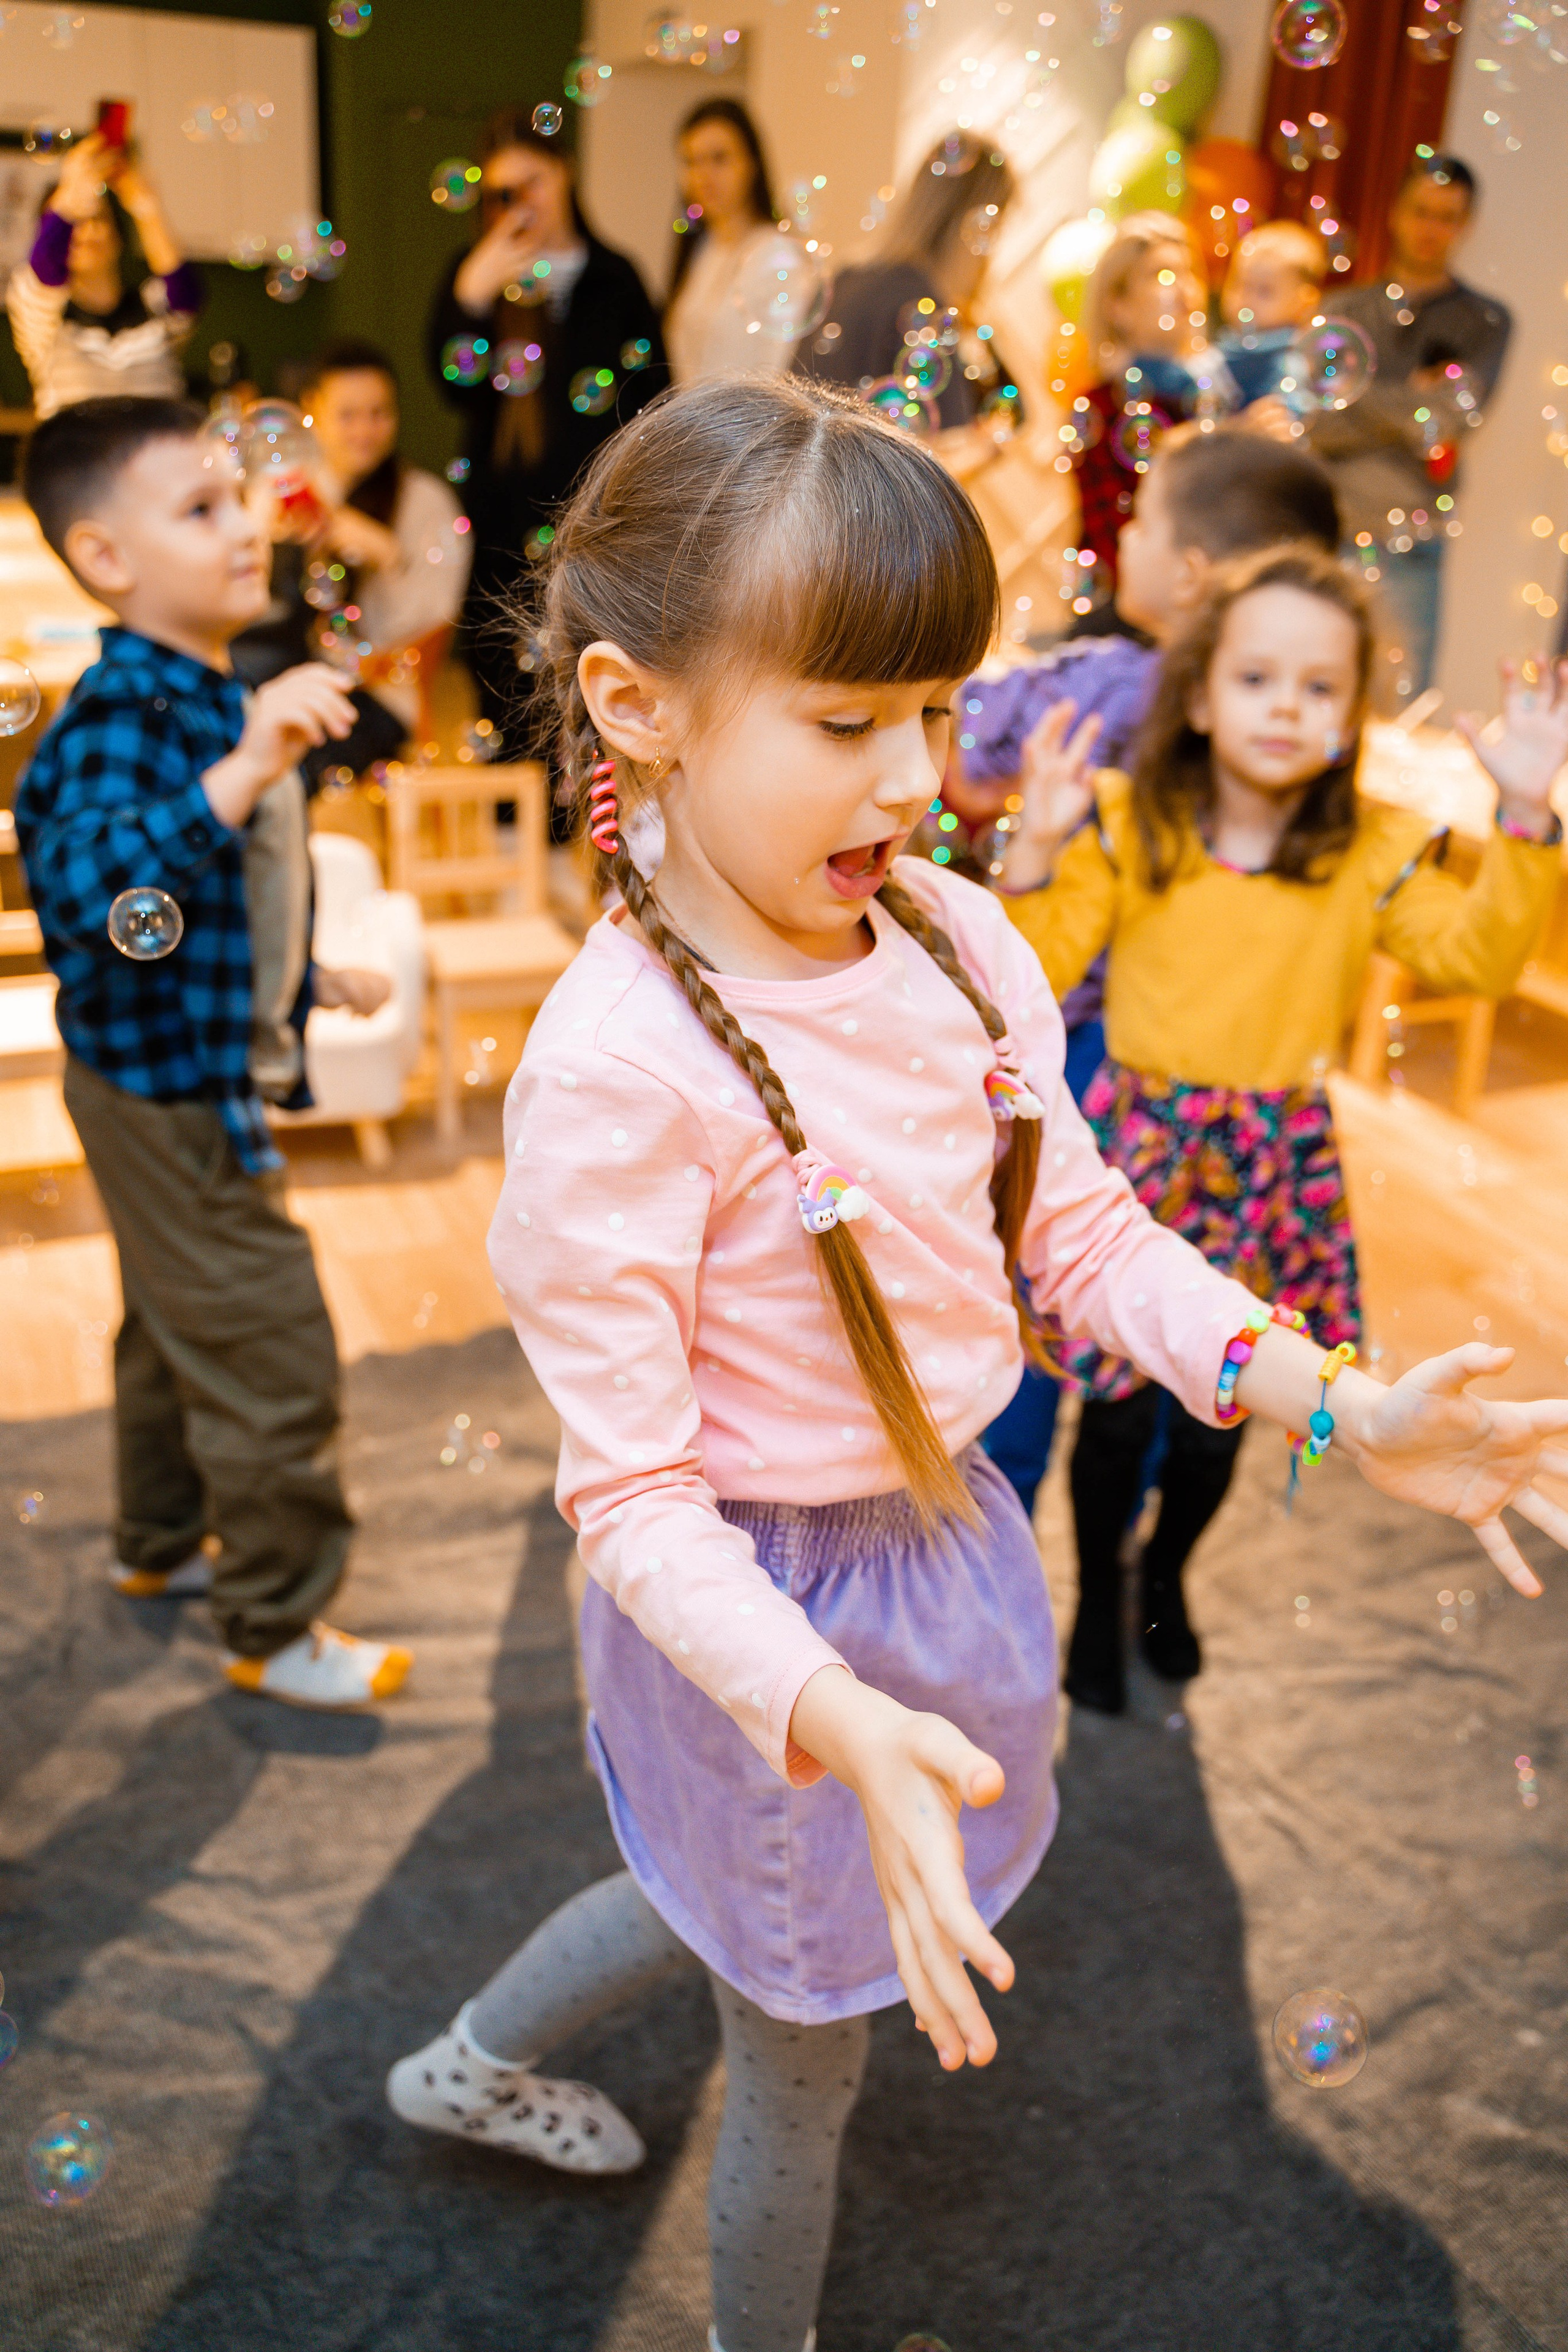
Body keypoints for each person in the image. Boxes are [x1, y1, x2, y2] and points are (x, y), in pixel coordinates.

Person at [383, 377, 1568, 2352]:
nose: (915, 774)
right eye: (846, 723)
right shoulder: (616, 1071)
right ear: (635, 704)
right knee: (802, 2047)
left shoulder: (954, 939)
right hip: (766, 1626)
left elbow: (1082, 1231)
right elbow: (635, 1495)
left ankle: (461, 2051)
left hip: (941, 1545)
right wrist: (826, 1712)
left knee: (731, 1933)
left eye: (934, 707)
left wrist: (1336, 1399)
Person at [1000, 542, 1566, 1715]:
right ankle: (1100, 1585)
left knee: (1225, 1427)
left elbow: (1479, 954)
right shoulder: (1126, 821)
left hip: (1274, 1168)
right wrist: (1038, 849)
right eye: (1258, 678)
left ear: (1349, 714)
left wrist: (1524, 811)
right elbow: (1034, 972)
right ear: (1200, 697)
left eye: (1320, 687)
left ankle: (1167, 1574)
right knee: (1112, 1420)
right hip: (1139, 1156)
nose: (1287, 707)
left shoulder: (1366, 847)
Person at [13, 396, 414, 1711]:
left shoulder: (200, 693)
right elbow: (89, 892)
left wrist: (302, 980)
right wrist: (243, 771)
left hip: (167, 1072)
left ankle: (158, 1546)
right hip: (165, 1095)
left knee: (166, 1320)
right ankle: (274, 1619)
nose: (246, 522)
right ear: (108, 560)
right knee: (267, 1343)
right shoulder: (124, 714)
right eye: (198, 508)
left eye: (237, 495)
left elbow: (191, 917)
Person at [946, 428, 1341, 1516]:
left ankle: (1002, 1519)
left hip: (1066, 1039)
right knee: (1162, 1310)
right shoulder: (1296, 727)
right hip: (1198, 1074)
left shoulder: (1104, 684)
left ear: (1194, 573)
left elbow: (965, 761)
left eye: (1146, 520)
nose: (1124, 534)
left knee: (1031, 1284)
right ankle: (1134, 1532)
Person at [428, 106, 666, 760]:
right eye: (502, 192)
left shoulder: (614, 277)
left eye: (532, 181)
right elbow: (453, 381)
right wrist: (471, 295)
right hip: (501, 517)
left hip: (590, 515)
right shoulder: (476, 273)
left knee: (585, 666)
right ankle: (513, 819)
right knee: (502, 672)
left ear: (564, 175)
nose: (521, 203)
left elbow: (650, 394)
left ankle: (580, 824)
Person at [1308, 154, 1512, 707]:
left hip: (1413, 544)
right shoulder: (1341, 308)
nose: (1431, 228)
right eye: (1421, 211)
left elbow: (1450, 418)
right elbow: (1318, 419)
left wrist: (1361, 394)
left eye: (1447, 217)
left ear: (1466, 226)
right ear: (1396, 213)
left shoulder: (1485, 322)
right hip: (1328, 530)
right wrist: (1411, 400)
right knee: (1312, 692)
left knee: (1399, 709)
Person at [794, 129, 1019, 438]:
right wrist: (988, 446)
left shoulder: (846, 278)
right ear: (971, 224)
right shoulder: (923, 305)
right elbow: (943, 450)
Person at [300, 338, 472, 743]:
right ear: (313, 410)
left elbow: (430, 629)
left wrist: (389, 556)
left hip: (381, 698)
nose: (364, 430)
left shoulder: (427, 504)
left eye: (379, 414)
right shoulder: (289, 495)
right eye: (347, 415)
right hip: (294, 677)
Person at [1069, 211, 1236, 579]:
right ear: (1118, 307)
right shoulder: (1101, 407)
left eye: (1191, 272)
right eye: (1163, 275)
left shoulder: (1226, 391)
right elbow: (1115, 539)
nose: (1185, 289)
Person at [6, 130, 202, 420]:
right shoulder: (45, 321)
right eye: (73, 225)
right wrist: (71, 194)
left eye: (97, 219)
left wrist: (147, 206)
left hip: (153, 462)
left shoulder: (152, 305)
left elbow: (186, 296)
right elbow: (45, 268)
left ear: (118, 235)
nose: (85, 233)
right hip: (76, 464)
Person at [664, 97, 785, 385]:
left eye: (719, 158)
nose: (704, 176)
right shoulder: (701, 250)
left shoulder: (775, 254)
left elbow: (779, 367)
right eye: (692, 162)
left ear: (752, 164)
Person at [1218, 219, 1329, 406]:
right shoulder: (1230, 344)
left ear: (1303, 304)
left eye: (1264, 291)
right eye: (1240, 284)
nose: (1247, 299)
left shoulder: (1287, 364)